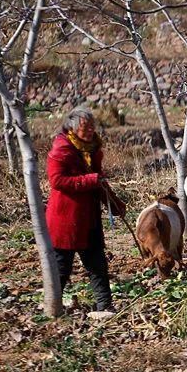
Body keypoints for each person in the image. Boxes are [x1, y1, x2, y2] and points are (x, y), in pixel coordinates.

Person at [45, 105, 126, 316]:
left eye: (92, 126)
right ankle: (53, 309)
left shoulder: (92, 150)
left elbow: (99, 181)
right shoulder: (61, 150)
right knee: (62, 268)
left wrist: (114, 204)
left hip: (88, 219)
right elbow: (57, 181)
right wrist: (90, 180)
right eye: (85, 127)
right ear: (72, 128)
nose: (90, 130)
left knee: (97, 265)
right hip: (66, 220)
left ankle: (105, 307)